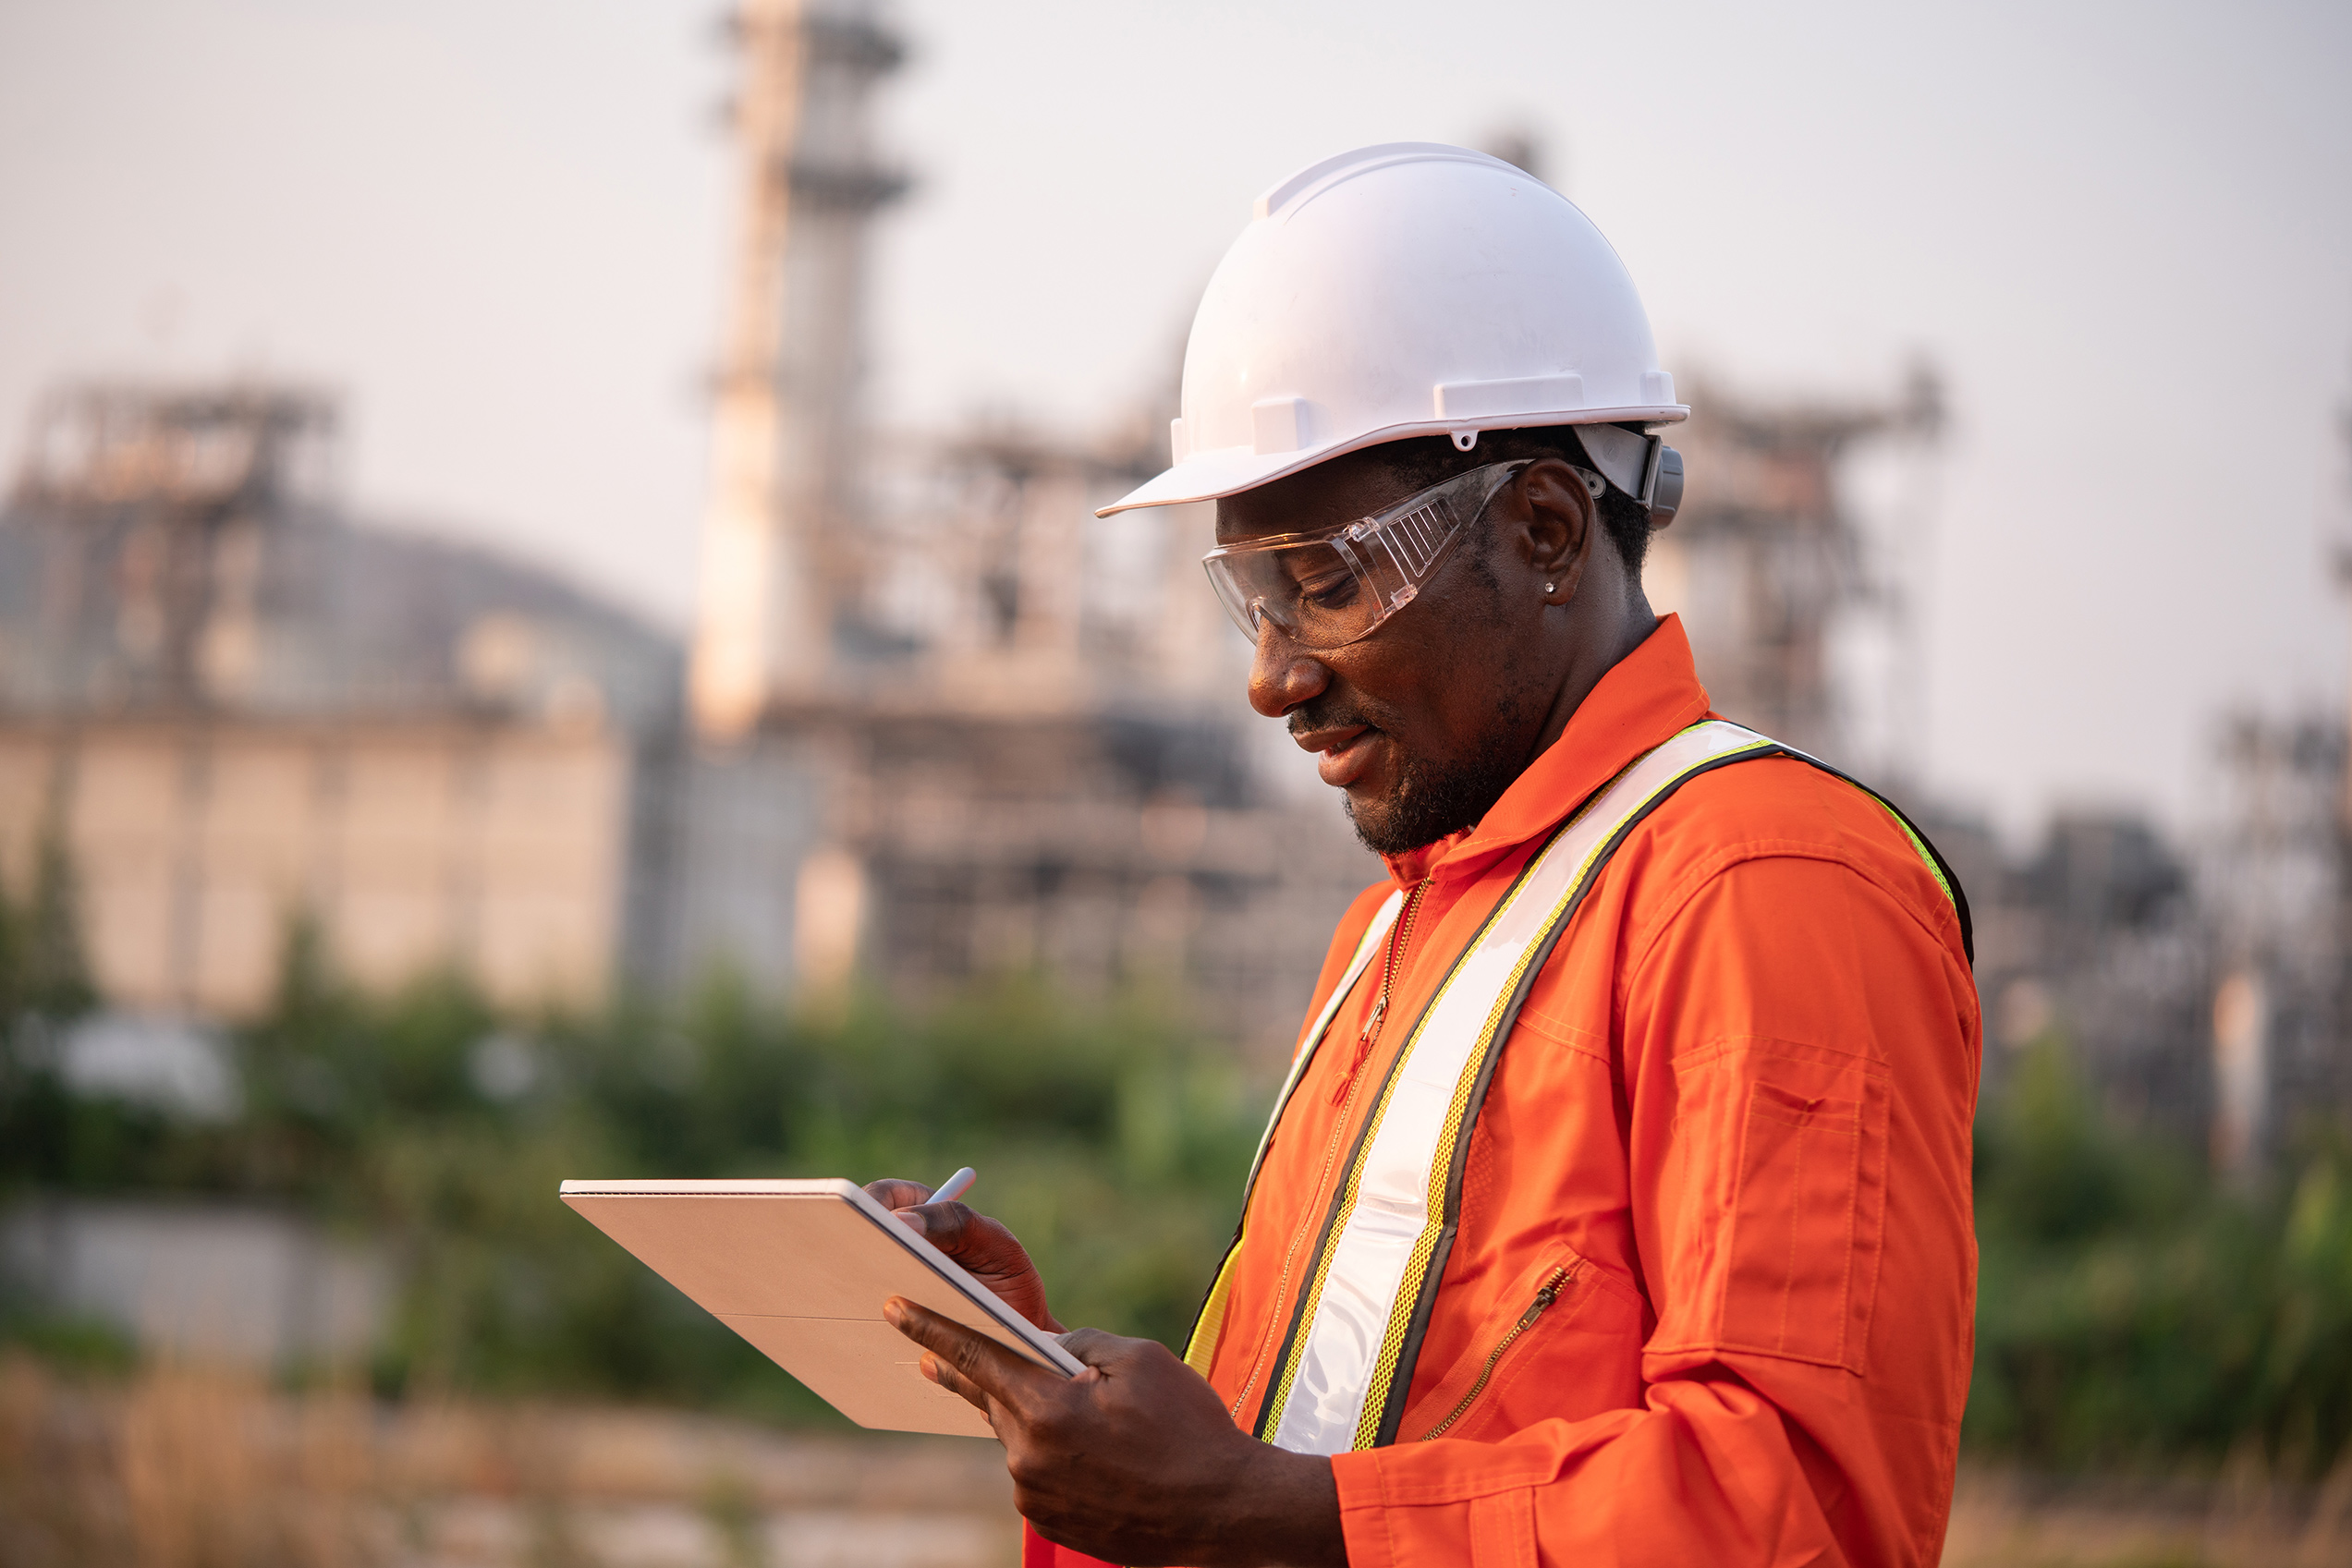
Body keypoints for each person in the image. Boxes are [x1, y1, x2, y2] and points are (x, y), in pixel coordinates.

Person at [871, 143, 1980, 1568]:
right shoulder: (1410, 926)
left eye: (1324, 585)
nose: (1272, 679)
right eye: (1250, 600)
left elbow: (1792, 1509)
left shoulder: (1760, 885)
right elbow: (1349, 1439)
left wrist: (1250, 1510)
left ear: (1539, 530)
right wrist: (1056, 1389)